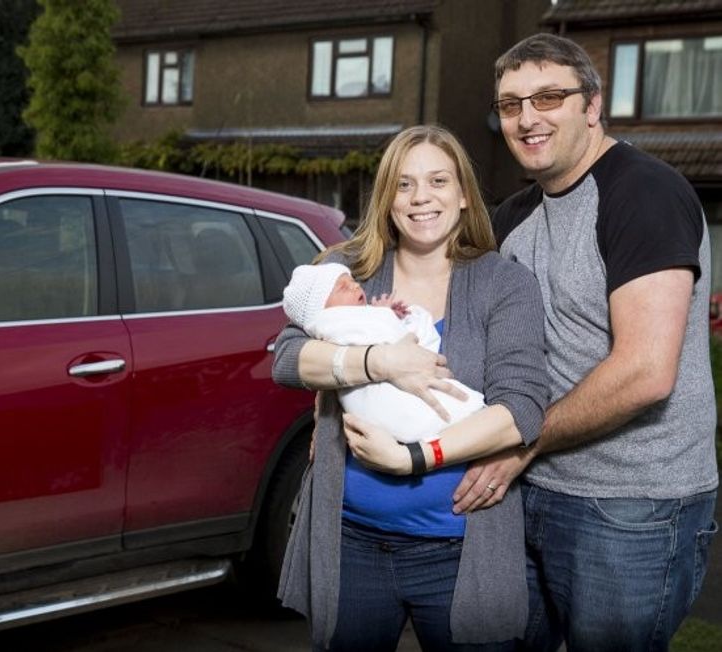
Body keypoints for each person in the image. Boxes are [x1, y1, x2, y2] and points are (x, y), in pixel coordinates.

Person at [454, 33, 719, 651]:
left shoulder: (644, 194)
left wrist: (521, 441)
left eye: (548, 97)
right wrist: (342, 385)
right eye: (511, 104)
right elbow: (444, 314)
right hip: (530, 487)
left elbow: (646, 372)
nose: (527, 118)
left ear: (593, 105)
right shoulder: (515, 216)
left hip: (631, 506)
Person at [273, 124, 550, 651]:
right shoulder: (346, 272)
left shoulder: (504, 283)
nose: (421, 197)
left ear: (464, 194)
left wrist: (413, 458)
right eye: (404, 184)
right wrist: (381, 361)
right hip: (350, 541)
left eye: (438, 181)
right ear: (387, 198)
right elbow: (287, 359)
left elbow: (522, 408)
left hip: (458, 549)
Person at [282, 261, 486, 444]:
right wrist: (382, 320)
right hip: (375, 407)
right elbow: (285, 360)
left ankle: (479, 428)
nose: (355, 285)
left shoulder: (490, 276)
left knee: (455, 411)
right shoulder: (330, 322)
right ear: (322, 309)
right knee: (440, 412)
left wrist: (390, 316)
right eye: (343, 287)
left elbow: (405, 343)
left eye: (353, 281)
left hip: (417, 437)